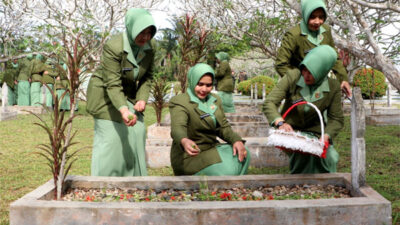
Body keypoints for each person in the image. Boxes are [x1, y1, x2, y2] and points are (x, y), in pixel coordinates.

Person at [86, 8, 157, 177]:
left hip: (128, 93)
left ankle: (135, 180)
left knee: (138, 130)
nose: (145, 37)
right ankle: (104, 181)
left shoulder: (151, 47)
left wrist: (142, 99)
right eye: (141, 32)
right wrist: (124, 109)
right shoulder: (114, 46)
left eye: (149, 33)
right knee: (112, 136)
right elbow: (112, 83)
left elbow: (148, 76)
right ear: (131, 28)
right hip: (104, 93)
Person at [263, 45, 344, 174]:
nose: (306, 75)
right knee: (303, 152)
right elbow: (270, 102)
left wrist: (326, 135)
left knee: (330, 157)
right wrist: (280, 122)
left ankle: (326, 185)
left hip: (316, 133)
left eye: (311, 72)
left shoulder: (333, 86)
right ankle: (301, 185)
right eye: (304, 70)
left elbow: (336, 119)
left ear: (322, 70)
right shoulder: (292, 76)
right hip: (291, 131)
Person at [169, 63, 250, 176]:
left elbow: (223, 127)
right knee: (229, 170)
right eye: (200, 84)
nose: (204, 89)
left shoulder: (214, 99)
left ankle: (234, 185)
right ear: (192, 81)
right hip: (190, 156)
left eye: (208, 85)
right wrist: (184, 140)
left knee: (244, 152)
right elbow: (178, 128)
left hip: (211, 149)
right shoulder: (180, 101)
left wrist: (236, 140)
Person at [275, 0, 351, 98]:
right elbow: (281, 64)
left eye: (321, 17)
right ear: (306, 15)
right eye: (312, 17)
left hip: (322, 89)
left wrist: (343, 79)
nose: (317, 22)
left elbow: (334, 58)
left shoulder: (326, 31)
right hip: (300, 91)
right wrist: (299, 83)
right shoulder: (293, 35)